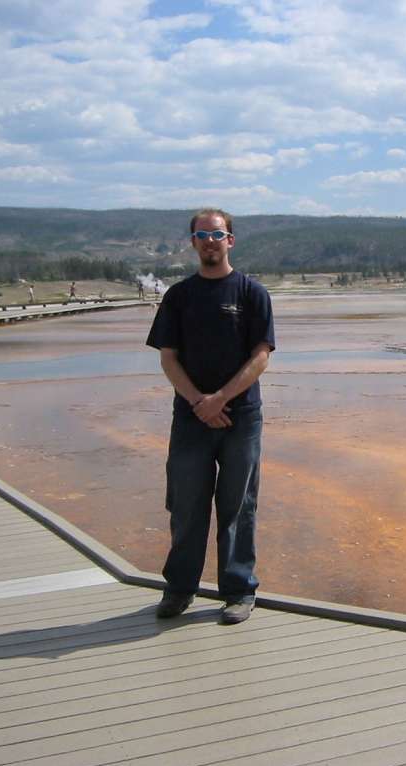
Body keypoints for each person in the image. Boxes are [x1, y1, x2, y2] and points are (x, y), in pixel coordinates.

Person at [145, 209, 275, 624]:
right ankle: (180, 589)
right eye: (201, 234)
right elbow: (168, 358)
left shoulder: (252, 294)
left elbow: (260, 357)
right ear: (193, 243)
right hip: (190, 420)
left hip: (242, 418)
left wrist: (219, 399)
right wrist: (200, 403)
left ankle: (238, 591)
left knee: (238, 505)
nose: (209, 240)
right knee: (186, 505)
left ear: (230, 240)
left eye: (217, 234)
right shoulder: (179, 296)